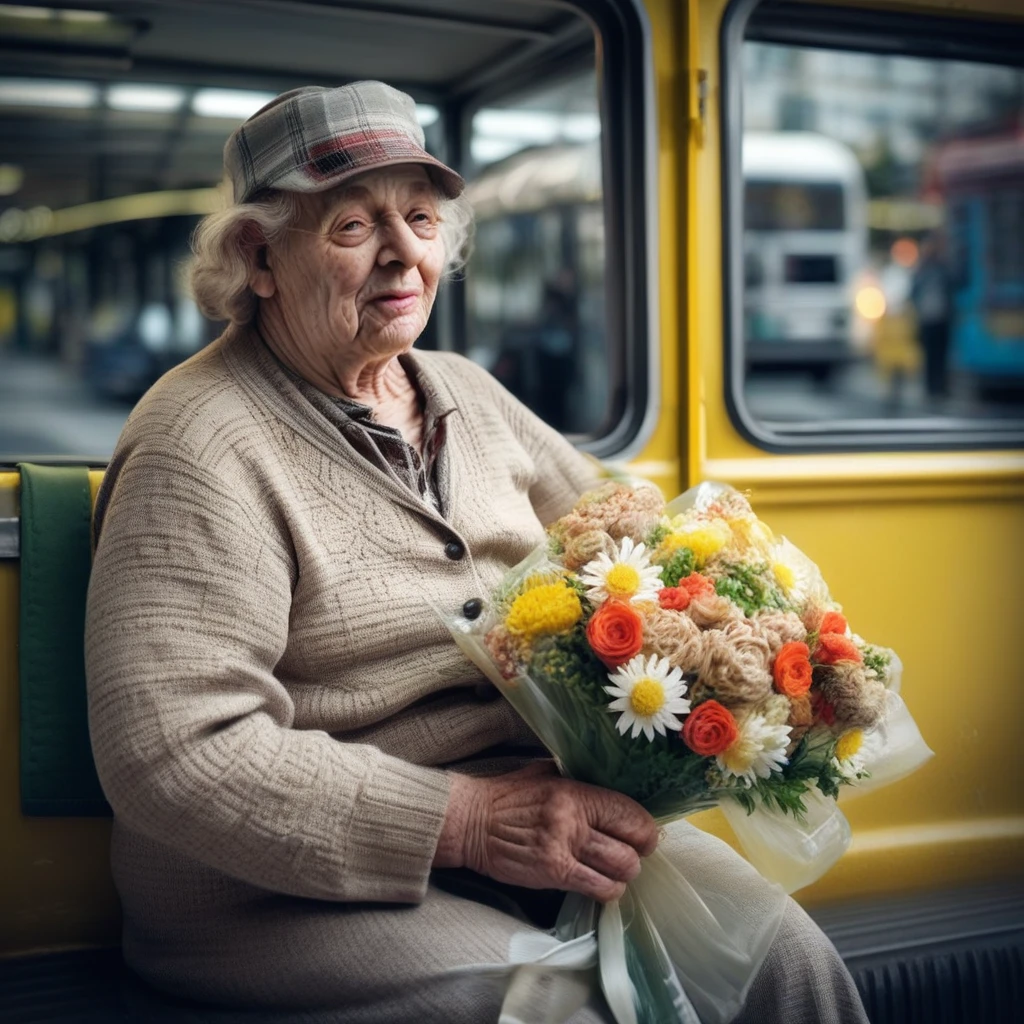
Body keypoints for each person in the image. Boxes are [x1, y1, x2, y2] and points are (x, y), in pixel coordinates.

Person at [85, 81, 869, 1024]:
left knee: (789, 967)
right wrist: (467, 822)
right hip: (274, 892)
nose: (404, 253)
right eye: (352, 227)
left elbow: (636, 537)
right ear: (258, 256)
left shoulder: (461, 390)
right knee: (559, 1010)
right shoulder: (198, 441)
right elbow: (175, 752)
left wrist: (763, 645)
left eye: (419, 218)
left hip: (542, 817)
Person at [910, 233, 954, 401]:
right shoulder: (922, 271)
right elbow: (913, 293)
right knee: (930, 356)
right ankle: (931, 388)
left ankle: (941, 387)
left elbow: (950, 287)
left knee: (941, 354)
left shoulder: (941, 268)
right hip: (927, 318)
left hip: (941, 318)